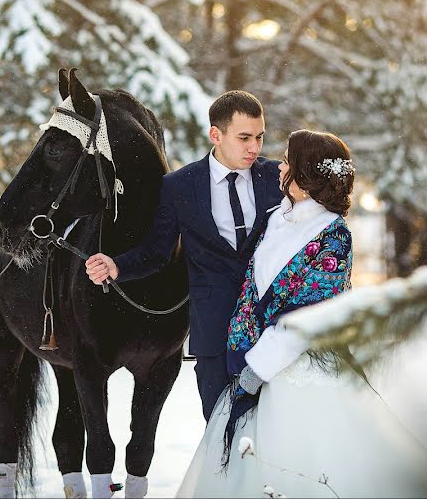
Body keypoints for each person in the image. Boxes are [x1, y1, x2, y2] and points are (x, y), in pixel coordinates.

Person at [176, 130, 427, 498]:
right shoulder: (275, 219)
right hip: (250, 364)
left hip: (302, 373)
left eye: (289, 161)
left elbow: (308, 315)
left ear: (306, 175)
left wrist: (258, 370)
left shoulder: (334, 235)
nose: (280, 166)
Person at [85, 91, 284, 422]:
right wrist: (117, 265)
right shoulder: (179, 186)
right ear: (216, 135)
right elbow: (157, 252)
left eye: (259, 137)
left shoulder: (277, 178)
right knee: (221, 428)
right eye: (244, 137)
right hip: (212, 334)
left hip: (271, 331)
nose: (254, 147)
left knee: (275, 432)